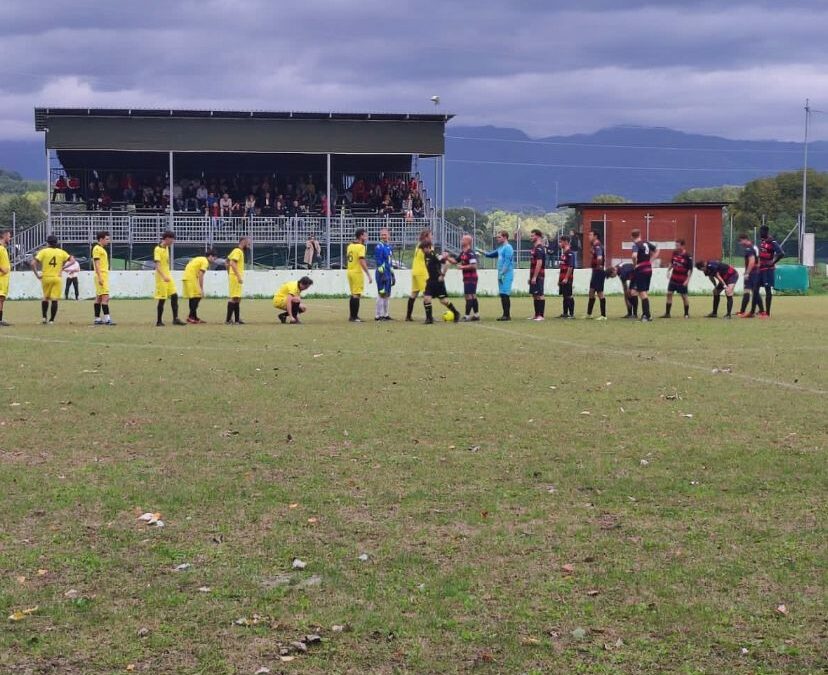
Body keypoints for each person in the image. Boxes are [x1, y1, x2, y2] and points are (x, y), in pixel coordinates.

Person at [31, 235, 74, 324]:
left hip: (46, 277)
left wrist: (37, 274)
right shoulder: (61, 252)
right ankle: (52, 320)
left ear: (48, 243)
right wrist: (63, 267)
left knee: (45, 298)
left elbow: (32, 263)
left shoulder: (43, 252)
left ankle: (44, 318)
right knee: (54, 299)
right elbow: (73, 260)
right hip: (57, 277)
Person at [421, 241, 460, 324]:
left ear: (428, 247)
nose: (422, 250)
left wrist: (442, 275)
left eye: (423, 248)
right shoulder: (425, 255)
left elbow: (447, 263)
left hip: (438, 282)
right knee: (426, 298)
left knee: (443, 301)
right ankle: (429, 319)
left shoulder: (435, 255)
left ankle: (456, 313)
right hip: (430, 281)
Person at [154, 230, 184, 326]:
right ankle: (159, 321)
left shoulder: (166, 247)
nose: (173, 242)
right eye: (172, 240)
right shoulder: (157, 249)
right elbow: (157, 266)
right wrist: (164, 277)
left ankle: (175, 319)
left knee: (174, 296)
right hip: (162, 277)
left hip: (168, 276)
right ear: (167, 239)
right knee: (162, 299)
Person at [483, 231, 514, 321]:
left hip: (506, 274)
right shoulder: (501, 248)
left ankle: (507, 315)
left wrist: (502, 273)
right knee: (502, 294)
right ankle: (504, 314)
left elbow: (507, 262)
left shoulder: (508, 248)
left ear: (505, 237)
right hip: (501, 274)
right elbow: (490, 255)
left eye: (499, 237)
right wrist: (480, 251)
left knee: (505, 294)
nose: (497, 239)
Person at [183, 249, 217, 323]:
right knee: (198, 296)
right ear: (210, 256)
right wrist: (201, 289)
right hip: (191, 278)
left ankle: (194, 317)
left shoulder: (201, 259)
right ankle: (190, 317)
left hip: (188, 277)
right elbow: (201, 275)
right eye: (214, 258)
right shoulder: (205, 262)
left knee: (193, 297)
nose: (214, 260)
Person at [450, 234, 479, 321]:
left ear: (467, 242)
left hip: (471, 277)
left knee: (468, 296)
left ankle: (466, 316)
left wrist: (462, 267)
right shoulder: (463, 253)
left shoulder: (470, 253)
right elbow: (455, 261)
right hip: (467, 278)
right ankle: (476, 315)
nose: (461, 240)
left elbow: (474, 266)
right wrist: (447, 257)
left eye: (463, 239)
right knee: (473, 296)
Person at [757, 225, 785, 318]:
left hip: (768, 270)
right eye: (759, 231)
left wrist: (772, 262)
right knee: (755, 288)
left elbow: (781, 253)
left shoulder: (772, 242)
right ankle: (761, 310)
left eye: (761, 231)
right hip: (761, 269)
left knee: (767, 290)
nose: (760, 233)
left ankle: (767, 313)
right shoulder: (762, 242)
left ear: (766, 232)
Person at [662, 239, 693, 319]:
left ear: (682, 245)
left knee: (684, 296)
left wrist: (687, 280)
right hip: (673, 278)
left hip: (682, 279)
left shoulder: (688, 255)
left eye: (677, 245)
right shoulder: (675, 253)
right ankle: (667, 314)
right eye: (675, 245)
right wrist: (668, 271)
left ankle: (686, 314)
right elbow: (672, 263)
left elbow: (690, 269)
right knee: (669, 293)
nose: (676, 247)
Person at [630, 229, 656, 322]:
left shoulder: (636, 245)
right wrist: (650, 261)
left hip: (641, 270)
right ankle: (645, 314)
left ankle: (647, 315)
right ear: (640, 234)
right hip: (648, 269)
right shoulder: (646, 243)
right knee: (642, 291)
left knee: (642, 292)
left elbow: (634, 256)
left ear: (632, 237)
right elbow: (657, 250)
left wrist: (635, 264)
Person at [346, 228, 372, 322]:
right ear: (361, 236)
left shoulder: (350, 246)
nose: (366, 237)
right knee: (357, 294)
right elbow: (361, 260)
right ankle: (355, 317)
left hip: (349, 271)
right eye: (365, 235)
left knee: (353, 294)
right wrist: (368, 274)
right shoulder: (361, 247)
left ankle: (351, 316)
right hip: (357, 272)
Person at [737, 233, 765, 318]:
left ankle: (745, 312)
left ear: (745, 239)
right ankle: (760, 311)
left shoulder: (749, 249)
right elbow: (758, 260)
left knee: (749, 291)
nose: (740, 243)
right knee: (752, 291)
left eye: (740, 241)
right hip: (755, 272)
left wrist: (747, 273)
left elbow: (752, 261)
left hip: (752, 273)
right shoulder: (754, 247)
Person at [406, 229, 431, 321]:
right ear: (426, 237)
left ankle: (408, 316)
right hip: (421, 271)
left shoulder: (418, 245)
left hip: (415, 271)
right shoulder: (427, 244)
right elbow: (429, 258)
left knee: (414, 293)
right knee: (427, 293)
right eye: (431, 235)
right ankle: (429, 317)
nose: (432, 237)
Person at [92, 231, 116, 325]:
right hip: (101, 275)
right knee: (106, 297)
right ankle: (107, 319)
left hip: (102, 275)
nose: (108, 241)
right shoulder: (97, 249)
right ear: (101, 239)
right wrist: (100, 277)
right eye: (106, 239)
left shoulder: (100, 249)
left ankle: (97, 319)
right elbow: (97, 264)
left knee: (99, 297)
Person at [225, 236, 250, 325]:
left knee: (238, 298)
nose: (249, 245)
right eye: (248, 243)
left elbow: (227, 262)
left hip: (234, 276)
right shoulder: (238, 251)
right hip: (236, 277)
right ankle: (229, 320)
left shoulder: (236, 251)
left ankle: (236, 319)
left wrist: (229, 273)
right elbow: (231, 263)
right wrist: (238, 275)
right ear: (243, 242)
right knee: (235, 298)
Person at [585, 230, 606, 320]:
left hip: (598, 271)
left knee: (600, 292)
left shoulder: (598, 246)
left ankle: (603, 315)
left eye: (590, 235)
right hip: (595, 271)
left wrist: (598, 266)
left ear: (595, 236)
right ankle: (589, 314)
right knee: (591, 292)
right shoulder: (594, 246)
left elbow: (600, 257)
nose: (589, 236)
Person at [374, 228, 394, 321]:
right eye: (382, 235)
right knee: (381, 293)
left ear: (389, 236)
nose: (384, 236)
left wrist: (392, 274)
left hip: (388, 273)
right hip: (381, 273)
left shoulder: (389, 247)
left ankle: (386, 314)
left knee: (387, 294)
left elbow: (389, 262)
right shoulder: (379, 246)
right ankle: (378, 315)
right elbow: (379, 261)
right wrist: (382, 273)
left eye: (385, 235)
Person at [528, 228, 546, 320]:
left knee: (540, 294)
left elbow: (539, 263)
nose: (531, 237)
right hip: (533, 275)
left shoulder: (539, 248)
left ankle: (541, 315)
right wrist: (530, 277)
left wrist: (534, 277)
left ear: (538, 236)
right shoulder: (535, 248)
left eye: (532, 235)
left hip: (539, 275)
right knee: (534, 295)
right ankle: (536, 314)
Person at [557, 235, 575, 318]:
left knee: (569, 295)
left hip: (567, 279)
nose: (559, 243)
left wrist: (566, 278)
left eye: (561, 242)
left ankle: (571, 314)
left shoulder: (570, 253)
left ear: (566, 242)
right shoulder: (564, 253)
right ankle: (565, 313)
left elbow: (571, 266)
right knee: (564, 295)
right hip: (562, 278)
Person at [0, 229, 11, 326]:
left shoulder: (3, 248)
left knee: (2, 299)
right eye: (9, 236)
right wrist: (2, 269)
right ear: (4, 236)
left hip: (4, 279)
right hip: (0, 278)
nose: (10, 238)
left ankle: (0, 319)